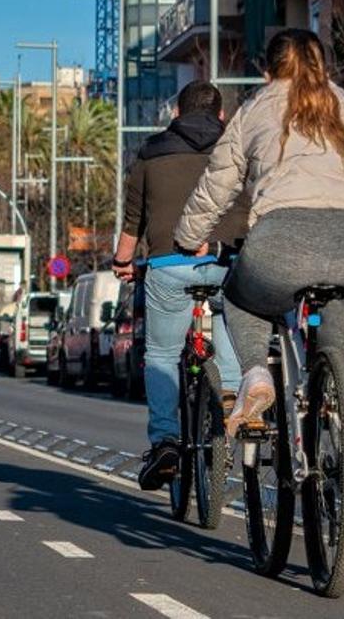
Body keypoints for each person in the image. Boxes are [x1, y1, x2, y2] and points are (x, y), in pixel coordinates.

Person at [174, 29, 344, 538]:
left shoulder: (256, 108)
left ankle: (256, 375)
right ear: (324, 64)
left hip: (283, 238)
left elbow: (218, 184)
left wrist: (189, 238)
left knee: (243, 299)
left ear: (268, 71)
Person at [111, 80, 249, 491]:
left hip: (169, 265)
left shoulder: (151, 153)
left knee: (161, 354)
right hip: (228, 260)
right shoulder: (238, 147)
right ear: (221, 115)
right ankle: (229, 407)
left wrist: (122, 263)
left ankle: (166, 442)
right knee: (229, 330)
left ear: (176, 115)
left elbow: (133, 222)